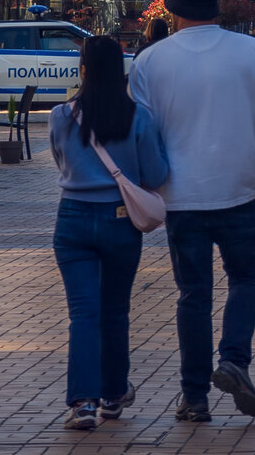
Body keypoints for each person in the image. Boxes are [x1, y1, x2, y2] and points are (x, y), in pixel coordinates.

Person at [129, 0, 255, 423]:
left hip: (181, 194)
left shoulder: (150, 62)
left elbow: (141, 132)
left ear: (174, 11)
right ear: (217, 7)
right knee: (247, 278)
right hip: (241, 188)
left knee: (193, 294)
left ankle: (194, 396)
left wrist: (153, 183)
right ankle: (234, 359)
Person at [50, 35, 170, 431]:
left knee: (83, 312)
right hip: (120, 222)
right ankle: (114, 392)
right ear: (121, 69)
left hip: (72, 219)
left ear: (83, 69)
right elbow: (156, 174)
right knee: (115, 310)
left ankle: (83, 402)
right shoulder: (138, 117)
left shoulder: (61, 115)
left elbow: (61, 162)